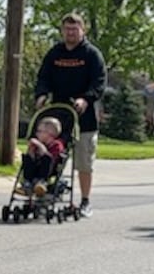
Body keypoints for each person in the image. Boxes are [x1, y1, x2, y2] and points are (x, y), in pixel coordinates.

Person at [35, 12, 106, 218]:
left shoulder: (92, 54)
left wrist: (86, 98)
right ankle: (45, 193)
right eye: (67, 29)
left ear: (82, 30)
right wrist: (41, 94)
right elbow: (43, 77)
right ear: (62, 31)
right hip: (58, 117)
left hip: (84, 118)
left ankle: (85, 201)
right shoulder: (55, 53)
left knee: (84, 161)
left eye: (74, 29)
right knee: (51, 156)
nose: (71, 33)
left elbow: (99, 83)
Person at [18, 117, 65, 197]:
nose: (37, 134)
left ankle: (41, 183)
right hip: (35, 168)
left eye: (40, 131)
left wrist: (40, 146)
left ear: (50, 133)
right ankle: (27, 183)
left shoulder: (57, 145)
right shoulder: (38, 143)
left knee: (47, 158)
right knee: (27, 158)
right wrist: (31, 151)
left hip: (48, 170)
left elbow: (51, 158)